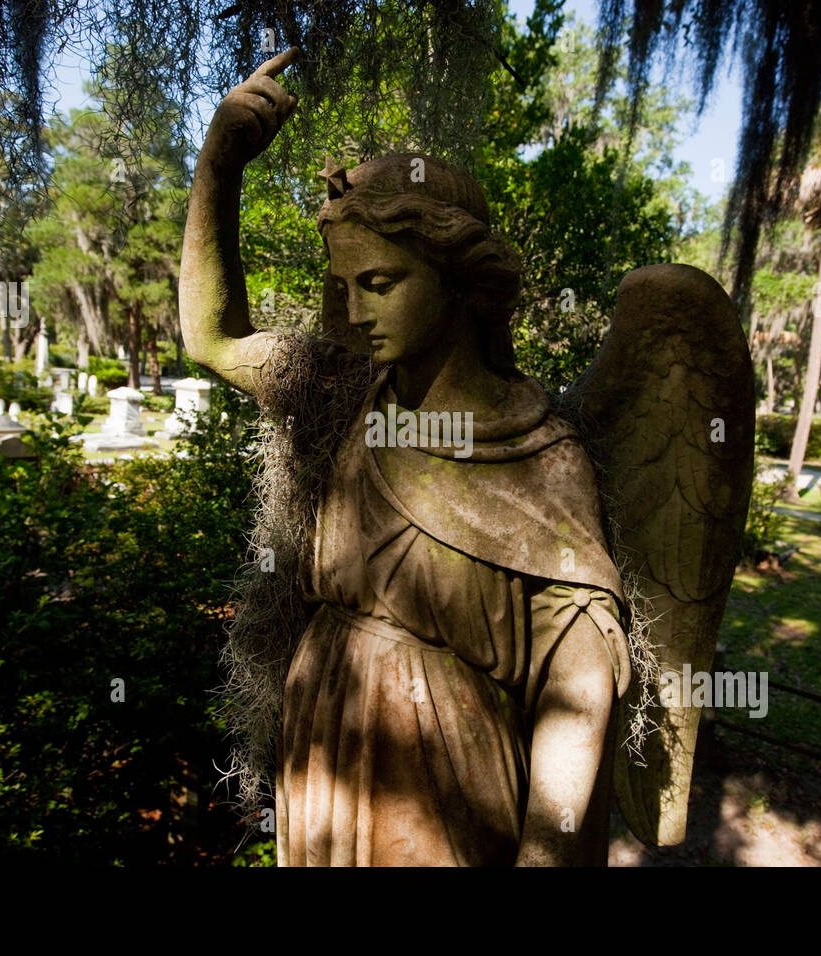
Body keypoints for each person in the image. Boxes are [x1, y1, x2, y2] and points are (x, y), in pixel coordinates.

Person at [181, 48, 633, 866]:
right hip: (322, 750)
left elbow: (581, 679)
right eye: (342, 284)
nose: (351, 312)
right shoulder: (342, 394)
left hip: (444, 785)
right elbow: (212, 337)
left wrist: (546, 849)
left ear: (458, 277)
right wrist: (218, 166)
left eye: (380, 283)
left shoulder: (540, 452)